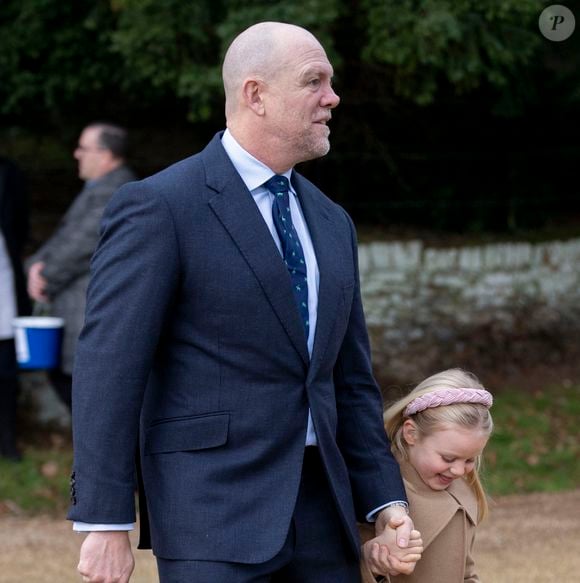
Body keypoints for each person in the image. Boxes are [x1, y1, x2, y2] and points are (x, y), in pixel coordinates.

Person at [69, 21, 423, 583]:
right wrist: (105, 518)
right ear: (255, 94)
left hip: (325, 516)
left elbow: (350, 381)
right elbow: (110, 367)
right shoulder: (160, 206)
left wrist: (385, 503)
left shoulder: (333, 222)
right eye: (315, 81)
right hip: (210, 515)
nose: (333, 97)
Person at [26, 123, 136, 409]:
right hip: (75, 306)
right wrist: (34, 266)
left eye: (83, 148)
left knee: (83, 394)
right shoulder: (99, 188)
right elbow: (62, 238)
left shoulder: (116, 190)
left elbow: (80, 244)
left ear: (105, 154)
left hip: (89, 309)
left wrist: (43, 275)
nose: (76, 154)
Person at [360, 368, 494, 582]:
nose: (459, 471)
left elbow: (466, 572)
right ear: (411, 433)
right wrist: (373, 564)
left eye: (469, 460)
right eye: (448, 459)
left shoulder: (463, 495)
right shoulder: (376, 494)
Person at [0, 157, 31, 461]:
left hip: (2, 275)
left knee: (5, 369)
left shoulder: (8, 173)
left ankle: (8, 441)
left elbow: (19, 226)